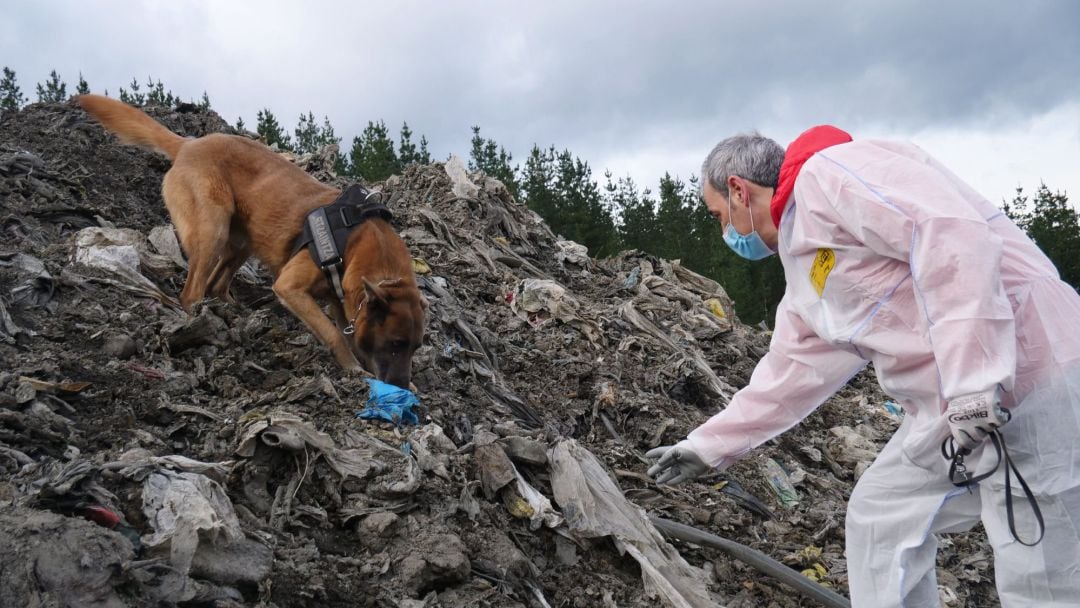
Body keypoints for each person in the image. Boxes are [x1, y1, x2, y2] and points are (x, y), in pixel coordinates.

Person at [644, 125, 1080, 607]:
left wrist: (974, 383)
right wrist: (706, 446)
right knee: (882, 518)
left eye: (719, 215)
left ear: (739, 190)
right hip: (953, 411)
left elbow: (950, 238)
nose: (723, 230)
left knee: (1041, 569)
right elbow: (789, 374)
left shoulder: (833, 175)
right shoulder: (805, 266)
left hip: (1034, 374)